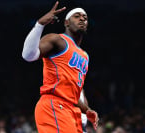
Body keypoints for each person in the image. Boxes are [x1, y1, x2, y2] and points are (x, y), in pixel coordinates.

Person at [22, 1, 98, 133]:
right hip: (55, 105)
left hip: (71, 109)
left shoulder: (85, 55)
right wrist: (40, 24)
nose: (82, 19)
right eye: (77, 16)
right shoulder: (57, 40)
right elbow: (28, 55)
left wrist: (86, 109)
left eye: (85, 18)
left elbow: (73, 91)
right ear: (66, 23)